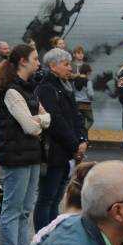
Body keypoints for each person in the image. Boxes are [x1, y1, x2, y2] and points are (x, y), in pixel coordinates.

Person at [0, 43, 49, 245]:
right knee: (13, 210)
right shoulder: (12, 91)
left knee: (25, 209)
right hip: (17, 157)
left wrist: (41, 120)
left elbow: (42, 118)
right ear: (22, 61)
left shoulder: (27, 88)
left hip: (31, 155)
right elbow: (30, 126)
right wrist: (42, 121)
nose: (38, 62)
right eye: (34, 58)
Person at [34, 48, 89, 229]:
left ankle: (52, 235)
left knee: (56, 198)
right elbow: (55, 120)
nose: (70, 67)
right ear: (53, 66)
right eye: (66, 64)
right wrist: (75, 144)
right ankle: (43, 238)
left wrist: (82, 139)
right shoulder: (46, 88)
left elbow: (76, 115)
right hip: (54, 152)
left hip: (66, 151)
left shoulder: (65, 86)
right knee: (46, 198)